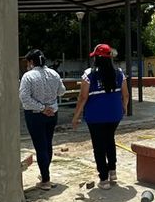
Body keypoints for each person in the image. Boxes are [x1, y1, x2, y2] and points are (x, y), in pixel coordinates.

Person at [71, 43, 129, 188]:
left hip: (95, 117)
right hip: (114, 115)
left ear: (96, 58)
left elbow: (82, 97)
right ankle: (112, 171)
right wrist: (124, 107)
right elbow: (126, 95)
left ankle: (103, 179)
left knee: (98, 146)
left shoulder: (89, 74)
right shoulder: (119, 73)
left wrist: (76, 116)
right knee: (109, 140)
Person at [19, 49, 66, 190]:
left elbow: (24, 97)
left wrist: (41, 107)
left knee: (40, 146)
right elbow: (62, 91)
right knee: (47, 143)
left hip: (35, 114)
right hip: (52, 113)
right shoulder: (54, 73)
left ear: (31, 62)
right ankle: (45, 173)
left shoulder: (28, 76)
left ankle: (45, 179)